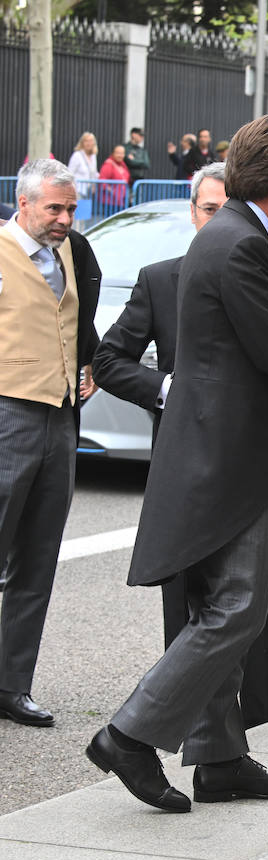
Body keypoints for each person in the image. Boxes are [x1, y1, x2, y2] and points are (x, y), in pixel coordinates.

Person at [86, 115, 268, 814]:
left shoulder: (239, 236)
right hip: (224, 461)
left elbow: (265, 353)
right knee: (237, 607)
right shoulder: (239, 243)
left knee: (227, 606)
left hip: (231, 453)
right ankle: (128, 733)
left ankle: (218, 757)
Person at [92, 162, 268, 729]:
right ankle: (178, 739)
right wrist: (172, 390)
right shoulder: (162, 279)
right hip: (193, 473)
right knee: (200, 615)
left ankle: (255, 739)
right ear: (192, 214)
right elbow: (109, 361)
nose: (221, 220)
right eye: (209, 210)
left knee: (262, 614)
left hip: (259, 472)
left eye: (229, 208)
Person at [0, 159, 101, 727]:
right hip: (6, 413)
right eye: (54, 208)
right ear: (24, 203)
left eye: (71, 207)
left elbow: (77, 324)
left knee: (37, 562)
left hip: (60, 419)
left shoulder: (72, 252)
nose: (66, 218)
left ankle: (13, 686)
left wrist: (89, 364)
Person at [98, 144, 131, 211]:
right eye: (118, 153)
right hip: (110, 201)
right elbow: (102, 181)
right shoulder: (108, 165)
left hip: (121, 201)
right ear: (113, 153)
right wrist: (113, 192)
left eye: (122, 153)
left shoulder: (123, 165)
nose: (120, 155)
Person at [67, 132, 99, 197]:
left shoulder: (93, 156)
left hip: (88, 191)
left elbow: (94, 172)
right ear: (82, 143)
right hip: (78, 190)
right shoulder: (77, 155)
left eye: (91, 141)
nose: (89, 143)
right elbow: (69, 172)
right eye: (86, 141)